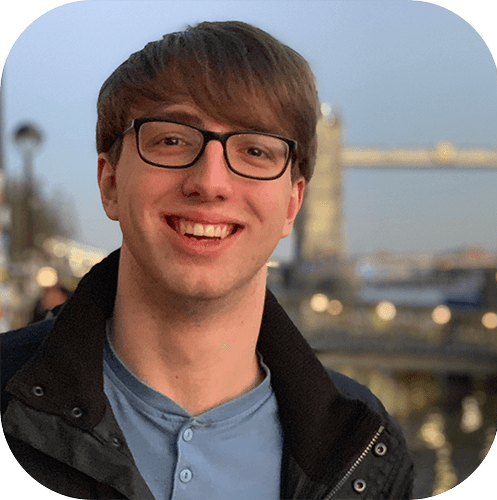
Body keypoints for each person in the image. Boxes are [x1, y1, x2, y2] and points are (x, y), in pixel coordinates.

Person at [1, 21, 414, 499]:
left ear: (292, 206)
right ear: (110, 182)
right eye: (172, 140)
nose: (211, 181)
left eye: (255, 150)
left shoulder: (367, 449)